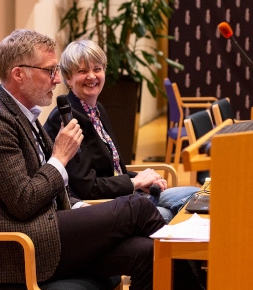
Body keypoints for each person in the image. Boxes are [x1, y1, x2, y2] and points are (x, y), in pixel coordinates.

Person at [0, 29, 170, 290]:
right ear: (18, 74)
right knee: (137, 208)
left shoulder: (24, 115)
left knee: (147, 252)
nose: (57, 79)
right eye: (49, 71)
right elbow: (23, 202)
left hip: (48, 229)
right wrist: (59, 157)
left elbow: (58, 189)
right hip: (19, 247)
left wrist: (83, 209)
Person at [44, 39, 200, 223]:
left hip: (125, 196)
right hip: (100, 207)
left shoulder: (97, 109)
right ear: (68, 78)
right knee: (171, 215)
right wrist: (136, 182)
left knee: (197, 195)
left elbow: (113, 172)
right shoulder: (66, 120)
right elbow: (88, 187)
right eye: (82, 71)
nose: (92, 76)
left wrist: (145, 181)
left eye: (97, 69)